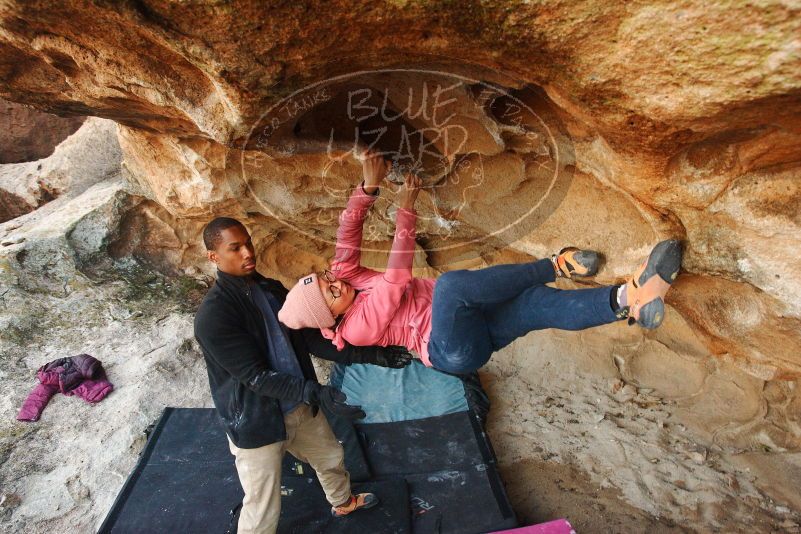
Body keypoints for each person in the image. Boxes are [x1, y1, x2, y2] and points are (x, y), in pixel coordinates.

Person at [278, 151, 683, 375]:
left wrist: (368, 186)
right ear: (330, 319)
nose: (333, 282)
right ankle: (555, 264)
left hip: (473, 320)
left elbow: (347, 234)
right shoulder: (359, 330)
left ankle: (630, 298)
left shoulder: (345, 280)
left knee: (535, 305)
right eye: (328, 292)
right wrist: (406, 209)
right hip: (450, 350)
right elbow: (398, 277)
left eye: (324, 277)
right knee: (451, 286)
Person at [193, 217, 413, 534]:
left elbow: (310, 339)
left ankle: (343, 502)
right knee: (262, 504)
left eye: (248, 243)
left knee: (331, 457)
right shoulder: (213, 318)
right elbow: (256, 378)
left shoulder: (269, 289)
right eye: (235, 248)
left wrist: (370, 354)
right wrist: (316, 392)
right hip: (256, 421)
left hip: (297, 406)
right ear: (214, 257)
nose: (247, 253)